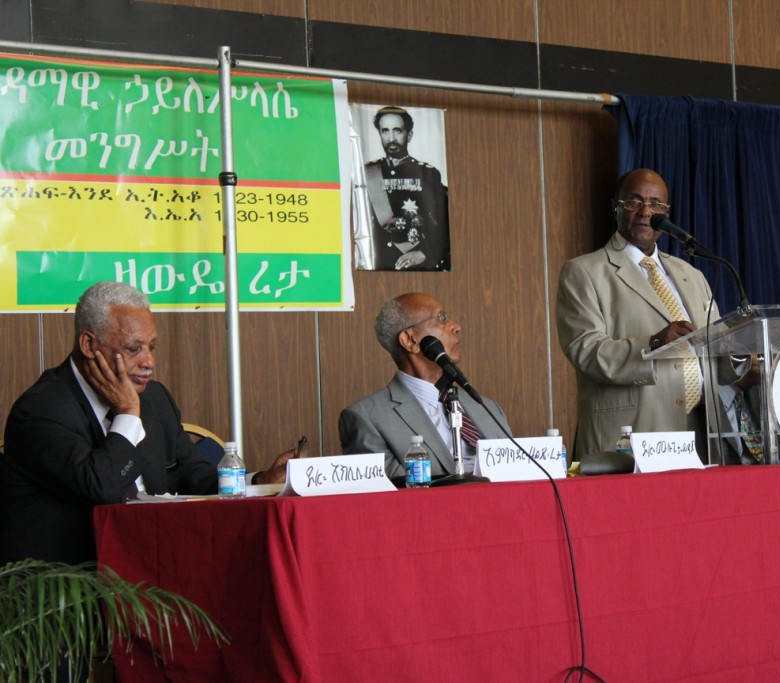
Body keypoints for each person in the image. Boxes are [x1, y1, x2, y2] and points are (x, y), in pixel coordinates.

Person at [0, 281, 294, 566]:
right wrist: (128, 413)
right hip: (73, 588)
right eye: (133, 349)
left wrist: (260, 482)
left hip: (153, 566)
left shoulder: (154, 399)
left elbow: (194, 477)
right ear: (89, 344)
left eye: (151, 347)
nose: (149, 362)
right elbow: (101, 488)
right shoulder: (41, 410)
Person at [556, 168, 721, 461]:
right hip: (631, 439)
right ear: (615, 207)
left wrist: (743, 365)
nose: (646, 212)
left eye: (656, 205)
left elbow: (717, 342)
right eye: (634, 201)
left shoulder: (691, 274)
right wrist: (653, 342)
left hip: (700, 435)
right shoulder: (584, 272)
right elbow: (586, 351)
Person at [339, 292, 511, 479]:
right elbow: (394, 494)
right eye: (442, 318)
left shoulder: (488, 408)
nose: (456, 327)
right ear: (410, 340)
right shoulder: (367, 419)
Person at [364, 105, 450, 271]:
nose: (391, 138)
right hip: (377, 265)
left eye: (397, 131)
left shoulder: (427, 174)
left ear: (409, 135)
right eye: (385, 131)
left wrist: (424, 253)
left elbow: (444, 225)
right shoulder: (367, 173)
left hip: (416, 268)